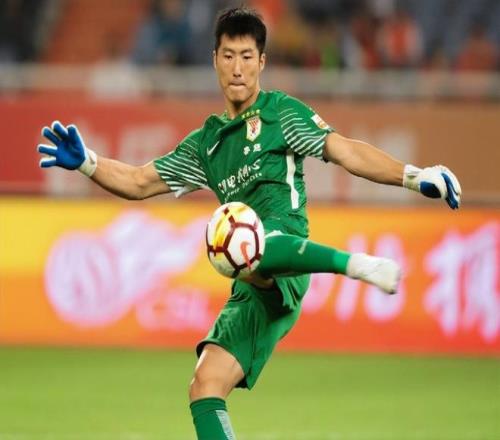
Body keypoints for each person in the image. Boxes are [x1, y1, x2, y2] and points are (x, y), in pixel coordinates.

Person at [37, 7, 461, 439]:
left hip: (288, 254)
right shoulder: (206, 144)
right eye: (228, 56)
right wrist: (88, 163)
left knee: (249, 238)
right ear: (214, 60)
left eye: (246, 57)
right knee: (204, 385)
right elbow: (138, 181)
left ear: (261, 62)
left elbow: (346, 151)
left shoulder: (282, 114)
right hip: (248, 283)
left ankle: (354, 264)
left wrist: (414, 176)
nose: (237, 68)